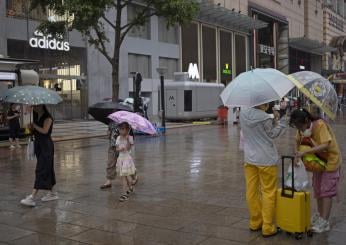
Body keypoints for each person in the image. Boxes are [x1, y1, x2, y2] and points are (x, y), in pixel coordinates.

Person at [290, 109, 341, 233]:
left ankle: (324, 222)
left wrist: (305, 152)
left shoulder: (320, 125)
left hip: (330, 161)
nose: (300, 129)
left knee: (326, 191)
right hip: (317, 163)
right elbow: (296, 141)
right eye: (296, 127)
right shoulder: (301, 129)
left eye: (300, 126)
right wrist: (297, 155)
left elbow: (326, 145)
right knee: (318, 190)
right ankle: (319, 215)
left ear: (307, 121)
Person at [240, 103, 286, 238]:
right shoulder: (264, 117)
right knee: (268, 192)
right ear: (263, 103)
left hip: (249, 159)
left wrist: (273, 120)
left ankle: (255, 222)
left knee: (251, 191)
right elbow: (272, 134)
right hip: (266, 159)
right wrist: (281, 122)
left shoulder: (242, 114)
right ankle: (268, 226)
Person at [20, 105, 58, 207]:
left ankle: (32, 197)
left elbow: (45, 131)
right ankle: (52, 193)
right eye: (34, 105)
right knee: (48, 168)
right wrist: (30, 128)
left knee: (41, 169)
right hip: (39, 145)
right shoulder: (35, 116)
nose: (35, 107)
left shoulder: (48, 117)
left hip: (46, 146)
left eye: (36, 105)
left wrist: (34, 126)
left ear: (42, 105)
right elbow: (36, 131)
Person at [100, 122, 138, 189]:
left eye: (122, 129)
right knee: (110, 163)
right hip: (113, 145)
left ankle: (134, 176)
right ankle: (109, 180)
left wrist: (127, 139)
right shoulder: (111, 121)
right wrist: (108, 133)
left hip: (125, 151)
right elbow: (109, 131)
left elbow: (130, 143)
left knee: (128, 166)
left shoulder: (127, 122)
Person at [116, 122, 136, 202]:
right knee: (124, 177)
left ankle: (129, 188)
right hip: (121, 159)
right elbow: (116, 148)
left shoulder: (130, 138)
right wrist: (119, 149)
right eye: (120, 129)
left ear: (127, 130)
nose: (121, 131)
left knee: (128, 178)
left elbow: (128, 148)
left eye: (123, 129)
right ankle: (125, 192)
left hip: (127, 159)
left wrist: (127, 140)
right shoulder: (118, 138)